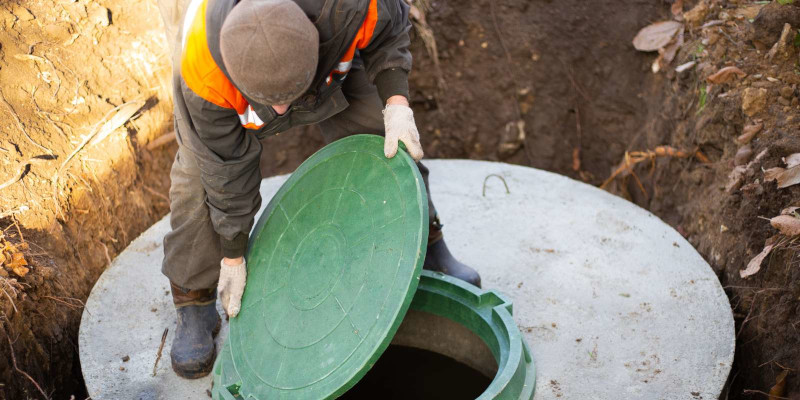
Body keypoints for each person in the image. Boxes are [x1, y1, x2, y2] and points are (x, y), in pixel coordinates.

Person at [160, 0, 482, 379]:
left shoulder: (351, 7)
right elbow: (225, 169)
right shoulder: (202, 69)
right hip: (229, 98)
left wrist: (396, 102)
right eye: (272, 102)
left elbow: (390, 31)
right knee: (198, 183)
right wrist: (233, 254)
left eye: (286, 98)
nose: (281, 112)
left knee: (380, 135)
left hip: (327, 72)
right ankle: (193, 299)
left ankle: (423, 240)